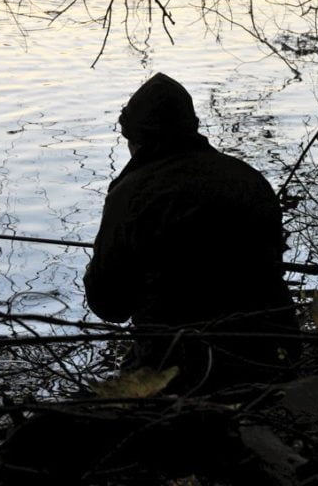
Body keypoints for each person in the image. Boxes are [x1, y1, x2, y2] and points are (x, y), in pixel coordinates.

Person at [84, 73, 300, 391]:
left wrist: (94, 267)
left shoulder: (131, 193)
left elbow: (110, 305)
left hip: (179, 368)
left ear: (138, 139)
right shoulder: (248, 178)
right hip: (273, 354)